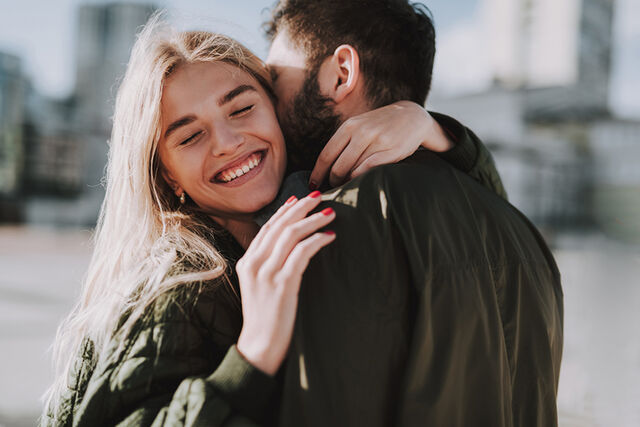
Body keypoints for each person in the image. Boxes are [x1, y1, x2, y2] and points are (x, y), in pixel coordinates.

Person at [42, 15, 505, 427]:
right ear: (167, 175)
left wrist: (429, 127)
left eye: (242, 108)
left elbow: (493, 216)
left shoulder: (299, 203)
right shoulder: (179, 286)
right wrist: (251, 356)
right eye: (190, 136)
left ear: (276, 112)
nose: (227, 142)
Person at [263, 1, 563, 426]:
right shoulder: (522, 231)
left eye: (275, 78)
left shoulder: (330, 225)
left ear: (341, 73)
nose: (267, 102)